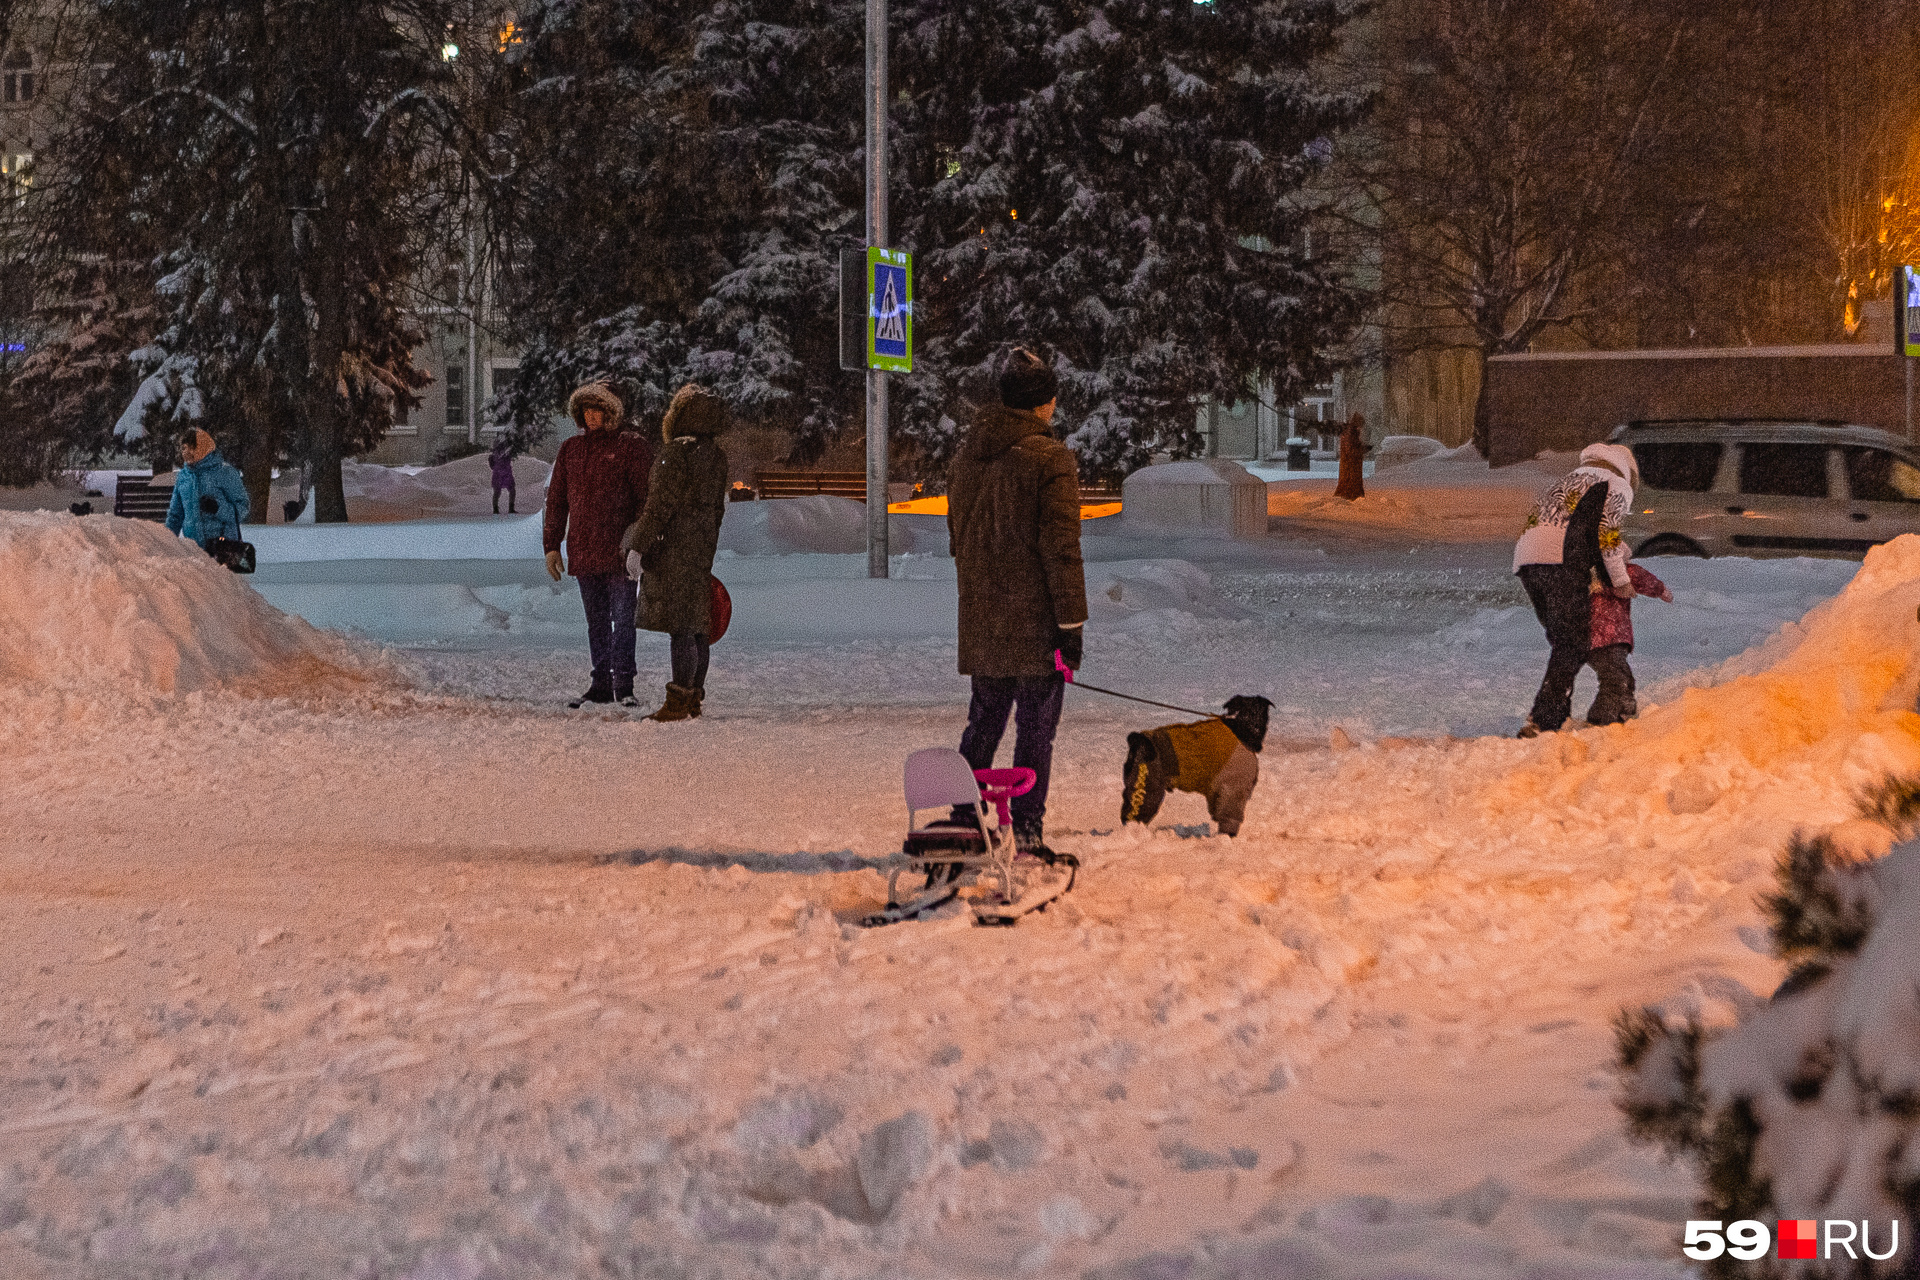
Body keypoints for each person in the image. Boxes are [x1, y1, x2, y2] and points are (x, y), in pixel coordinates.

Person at [947, 346, 1088, 853]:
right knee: (1035, 727)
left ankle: (963, 817)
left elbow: (958, 538)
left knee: (984, 719)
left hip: (982, 615)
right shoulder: (1050, 460)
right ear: (1043, 404)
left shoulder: (967, 457)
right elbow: (1061, 550)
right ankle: (1027, 829)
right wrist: (1070, 627)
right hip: (1035, 622)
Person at [620, 383, 730, 722]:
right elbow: (716, 510)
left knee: (680, 627)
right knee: (698, 626)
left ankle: (678, 701)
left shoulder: (676, 454)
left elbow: (658, 507)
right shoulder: (716, 456)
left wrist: (637, 546)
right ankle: (694, 696)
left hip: (672, 550)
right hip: (700, 550)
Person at [1512, 442, 1638, 737]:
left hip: (1527, 559)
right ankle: (1545, 720)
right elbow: (1606, 535)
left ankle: (1550, 713)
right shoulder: (1616, 484)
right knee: (1572, 642)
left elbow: (1575, 525)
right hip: (1561, 561)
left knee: (1565, 641)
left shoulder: (1569, 481)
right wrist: (1621, 582)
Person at [544, 382, 653, 707]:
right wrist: (551, 545)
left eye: (598, 409)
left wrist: (638, 544)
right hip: (583, 550)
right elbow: (557, 501)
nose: (592, 415)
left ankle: (624, 684)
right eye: (586, 409)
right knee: (597, 621)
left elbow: (645, 501)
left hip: (620, 553)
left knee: (623, 619)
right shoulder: (570, 450)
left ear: (611, 412)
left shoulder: (631, 448)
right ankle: (601, 684)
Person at [1584, 555, 1672, 726]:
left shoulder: (1616, 571)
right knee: (1616, 679)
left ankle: (1624, 712)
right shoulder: (1593, 572)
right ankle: (1603, 719)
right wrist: (1661, 590)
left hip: (1609, 639)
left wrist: (1660, 589)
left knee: (1621, 677)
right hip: (1599, 639)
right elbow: (1641, 577)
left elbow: (1641, 577)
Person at [165, 428, 250, 552]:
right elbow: (175, 515)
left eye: (191, 448)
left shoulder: (225, 473)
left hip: (223, 548)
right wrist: (165, 542)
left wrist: (218, 508)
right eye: (183, 448)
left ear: (202, 448)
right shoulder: (183, 477)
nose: (186, 452)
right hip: (193, 549)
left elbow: (243, 507)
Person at [489, 438, 517, 515]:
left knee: (497, 492)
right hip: (506, 473)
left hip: (498, 474)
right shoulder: (507, 453)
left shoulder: (493, 455)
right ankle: (511, 508)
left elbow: (491, 466)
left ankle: (495, 508)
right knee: (511, 490)